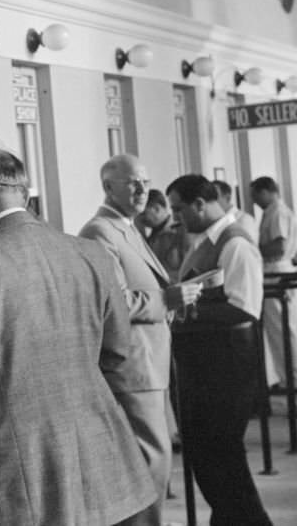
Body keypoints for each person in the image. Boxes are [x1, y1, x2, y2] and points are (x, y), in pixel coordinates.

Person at [0, 147, 156, 526]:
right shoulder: (89, 255)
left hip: (9, 483)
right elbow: (117, 354)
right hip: (100, 466)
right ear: (22, 192)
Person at [79, 155, 199, 526]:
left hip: (152, 362)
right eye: (132, 182)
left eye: (145, 182)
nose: (142, 189)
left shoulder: (128, 228)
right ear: (108, 187)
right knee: (150, 461)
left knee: (155, 461)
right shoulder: (100, 231)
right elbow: (113, 301)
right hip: (132, 365)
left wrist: (175, 297)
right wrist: (168, 299)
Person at [167, 175, 273, 526]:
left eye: (179, 208)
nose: (176, 216)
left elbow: (245, 308)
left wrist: (182, 313)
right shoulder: (206, 242)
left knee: (223, 459)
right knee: (209, 460)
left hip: (225, 369)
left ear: (200, 203)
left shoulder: (236, 244)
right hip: (206, 368)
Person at [252, 175, 297, 389]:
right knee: (280, 331)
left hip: (276, 272)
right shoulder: (274, 211)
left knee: (283, 330)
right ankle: (288, 376)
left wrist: (252, 251)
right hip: (277, 270)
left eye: (255, 195)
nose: (254, 201)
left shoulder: (277, 212)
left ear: (266, 191)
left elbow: (278, 247)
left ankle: (293, 377)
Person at [137, 188, 189, 282]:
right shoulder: (149, 239)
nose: (140, 219)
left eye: (143, 214)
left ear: (156, 208)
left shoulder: (182, 232)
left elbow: (190, 269)